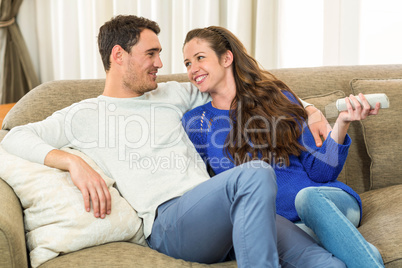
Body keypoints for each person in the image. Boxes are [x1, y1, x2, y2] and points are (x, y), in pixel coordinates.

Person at [1, 15, 345, 267]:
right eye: (151, 54)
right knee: (254, 174)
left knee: (326, 263)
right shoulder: (83, 114)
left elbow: (240, 90)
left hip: (225, 212)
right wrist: (72, 162)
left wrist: (309, 109)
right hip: (170, 225)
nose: (161, 64)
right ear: (118, 55)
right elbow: (14, 136)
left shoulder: (173, 94)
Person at [181, 26, 385, 268]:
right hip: (281, 229)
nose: (193, 69)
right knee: (343, 255)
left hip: (329, 205)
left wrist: (342, 123)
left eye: (200, 58)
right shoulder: (198, 122)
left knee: (307, 198)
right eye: (187, 63)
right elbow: (206, 187)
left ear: (227, 57)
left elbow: (322, 172)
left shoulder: (276, 97)